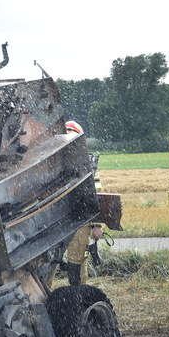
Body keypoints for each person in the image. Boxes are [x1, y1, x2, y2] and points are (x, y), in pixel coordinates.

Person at [62, 121, 104, 286]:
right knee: (69, 261)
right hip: (67, 219)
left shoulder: (87, 164)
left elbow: (96, 194)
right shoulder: (53, 161)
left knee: (77, 260)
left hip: (80, 218)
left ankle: (78, 295)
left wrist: (96, 223)